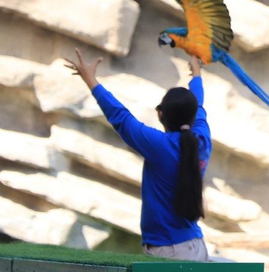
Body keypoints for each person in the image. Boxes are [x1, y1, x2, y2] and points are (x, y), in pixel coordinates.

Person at [64, 49, 211, 261]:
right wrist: (196, 74)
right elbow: (199, 103)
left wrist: (90, 80)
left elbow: (121, 118)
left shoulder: (160, 147)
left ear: (160, 114)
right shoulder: (202, 140)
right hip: (195, 246)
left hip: (169, 252)